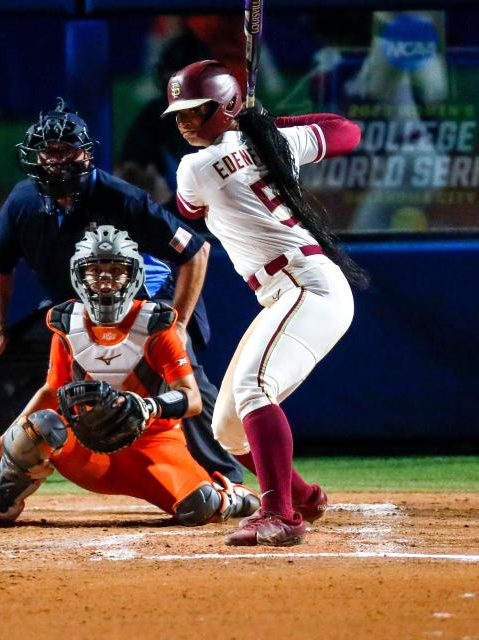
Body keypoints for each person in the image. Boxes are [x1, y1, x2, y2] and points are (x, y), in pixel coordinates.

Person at [0, 98, 242, 515]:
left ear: (86, 154)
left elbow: (195, 251)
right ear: (35, 156)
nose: (56, 161)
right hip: (74, 312)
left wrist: (180, 323)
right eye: (48, 151)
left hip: (144, 303)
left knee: (184, 384)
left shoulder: (120, 197)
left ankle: (228, 479)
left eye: (66, 151)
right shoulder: (23, 202)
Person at [163, 60, 366, 546]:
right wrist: (268, 129)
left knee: (255, 387)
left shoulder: (194, 167)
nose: (185, 121)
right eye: (179, 113)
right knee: (228, 426)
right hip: (290, 292)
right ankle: (302, 496)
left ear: (225, 106)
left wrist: (254, 131)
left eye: (196, 110)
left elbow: (188, 208)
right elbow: (347, 132)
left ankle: (280, 515)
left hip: (306, 286)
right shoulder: (274, 143)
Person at [0, 226, 259, 528]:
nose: (105, 280)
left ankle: (229, 496)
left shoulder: (156, 325)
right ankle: (1, 504)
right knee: (38, 427)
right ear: (79, 276)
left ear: (133, 274)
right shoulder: (67, 323)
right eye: (95, 271)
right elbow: (52, 390)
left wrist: (149, 407)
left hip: (152, 446)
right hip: (87, 448)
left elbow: (191, 398)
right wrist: (8, 435)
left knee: (199, 506)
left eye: (116, 270)